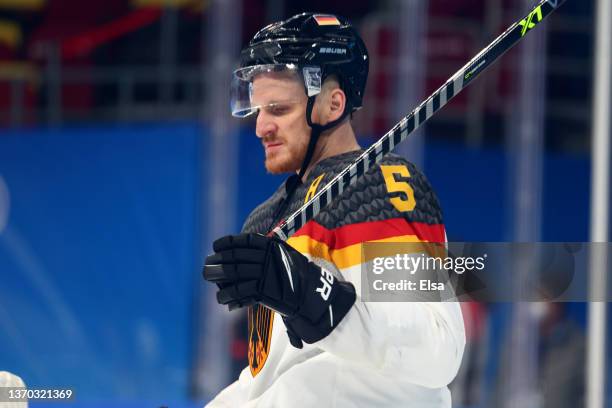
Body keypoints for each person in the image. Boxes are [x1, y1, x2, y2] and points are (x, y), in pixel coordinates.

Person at [203, 12, 465, 407]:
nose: (261, 127)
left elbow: (436, 348)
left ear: (333, 103)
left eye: (278, 109)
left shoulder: (377, 185)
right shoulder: (266, 220)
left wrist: (316, 300)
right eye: (258, 111)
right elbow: (265, 382)